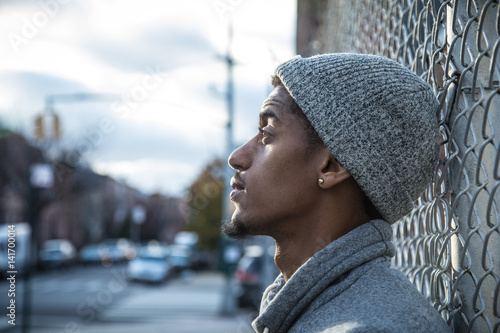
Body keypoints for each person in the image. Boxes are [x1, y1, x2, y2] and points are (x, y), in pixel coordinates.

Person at [223, 53, 452, 333]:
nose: (237, 157)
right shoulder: (324, 307)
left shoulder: (370, 327)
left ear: (331, 166)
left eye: (267, 134)